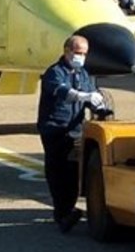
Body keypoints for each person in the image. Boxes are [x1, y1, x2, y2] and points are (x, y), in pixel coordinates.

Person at [37, 34, 103, 233]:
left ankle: (68, 209)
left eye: (84, 54)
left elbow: (91, 96)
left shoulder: (83, 73)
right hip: (55, 129)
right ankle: (62, 214)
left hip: (75, 130)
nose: (80, 57)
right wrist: (84, 96)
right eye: (77, 53)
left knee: (74, 172)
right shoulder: (54, 72)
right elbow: (63, 92)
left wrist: (99, 105)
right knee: (57, 173)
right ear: (67, 51)